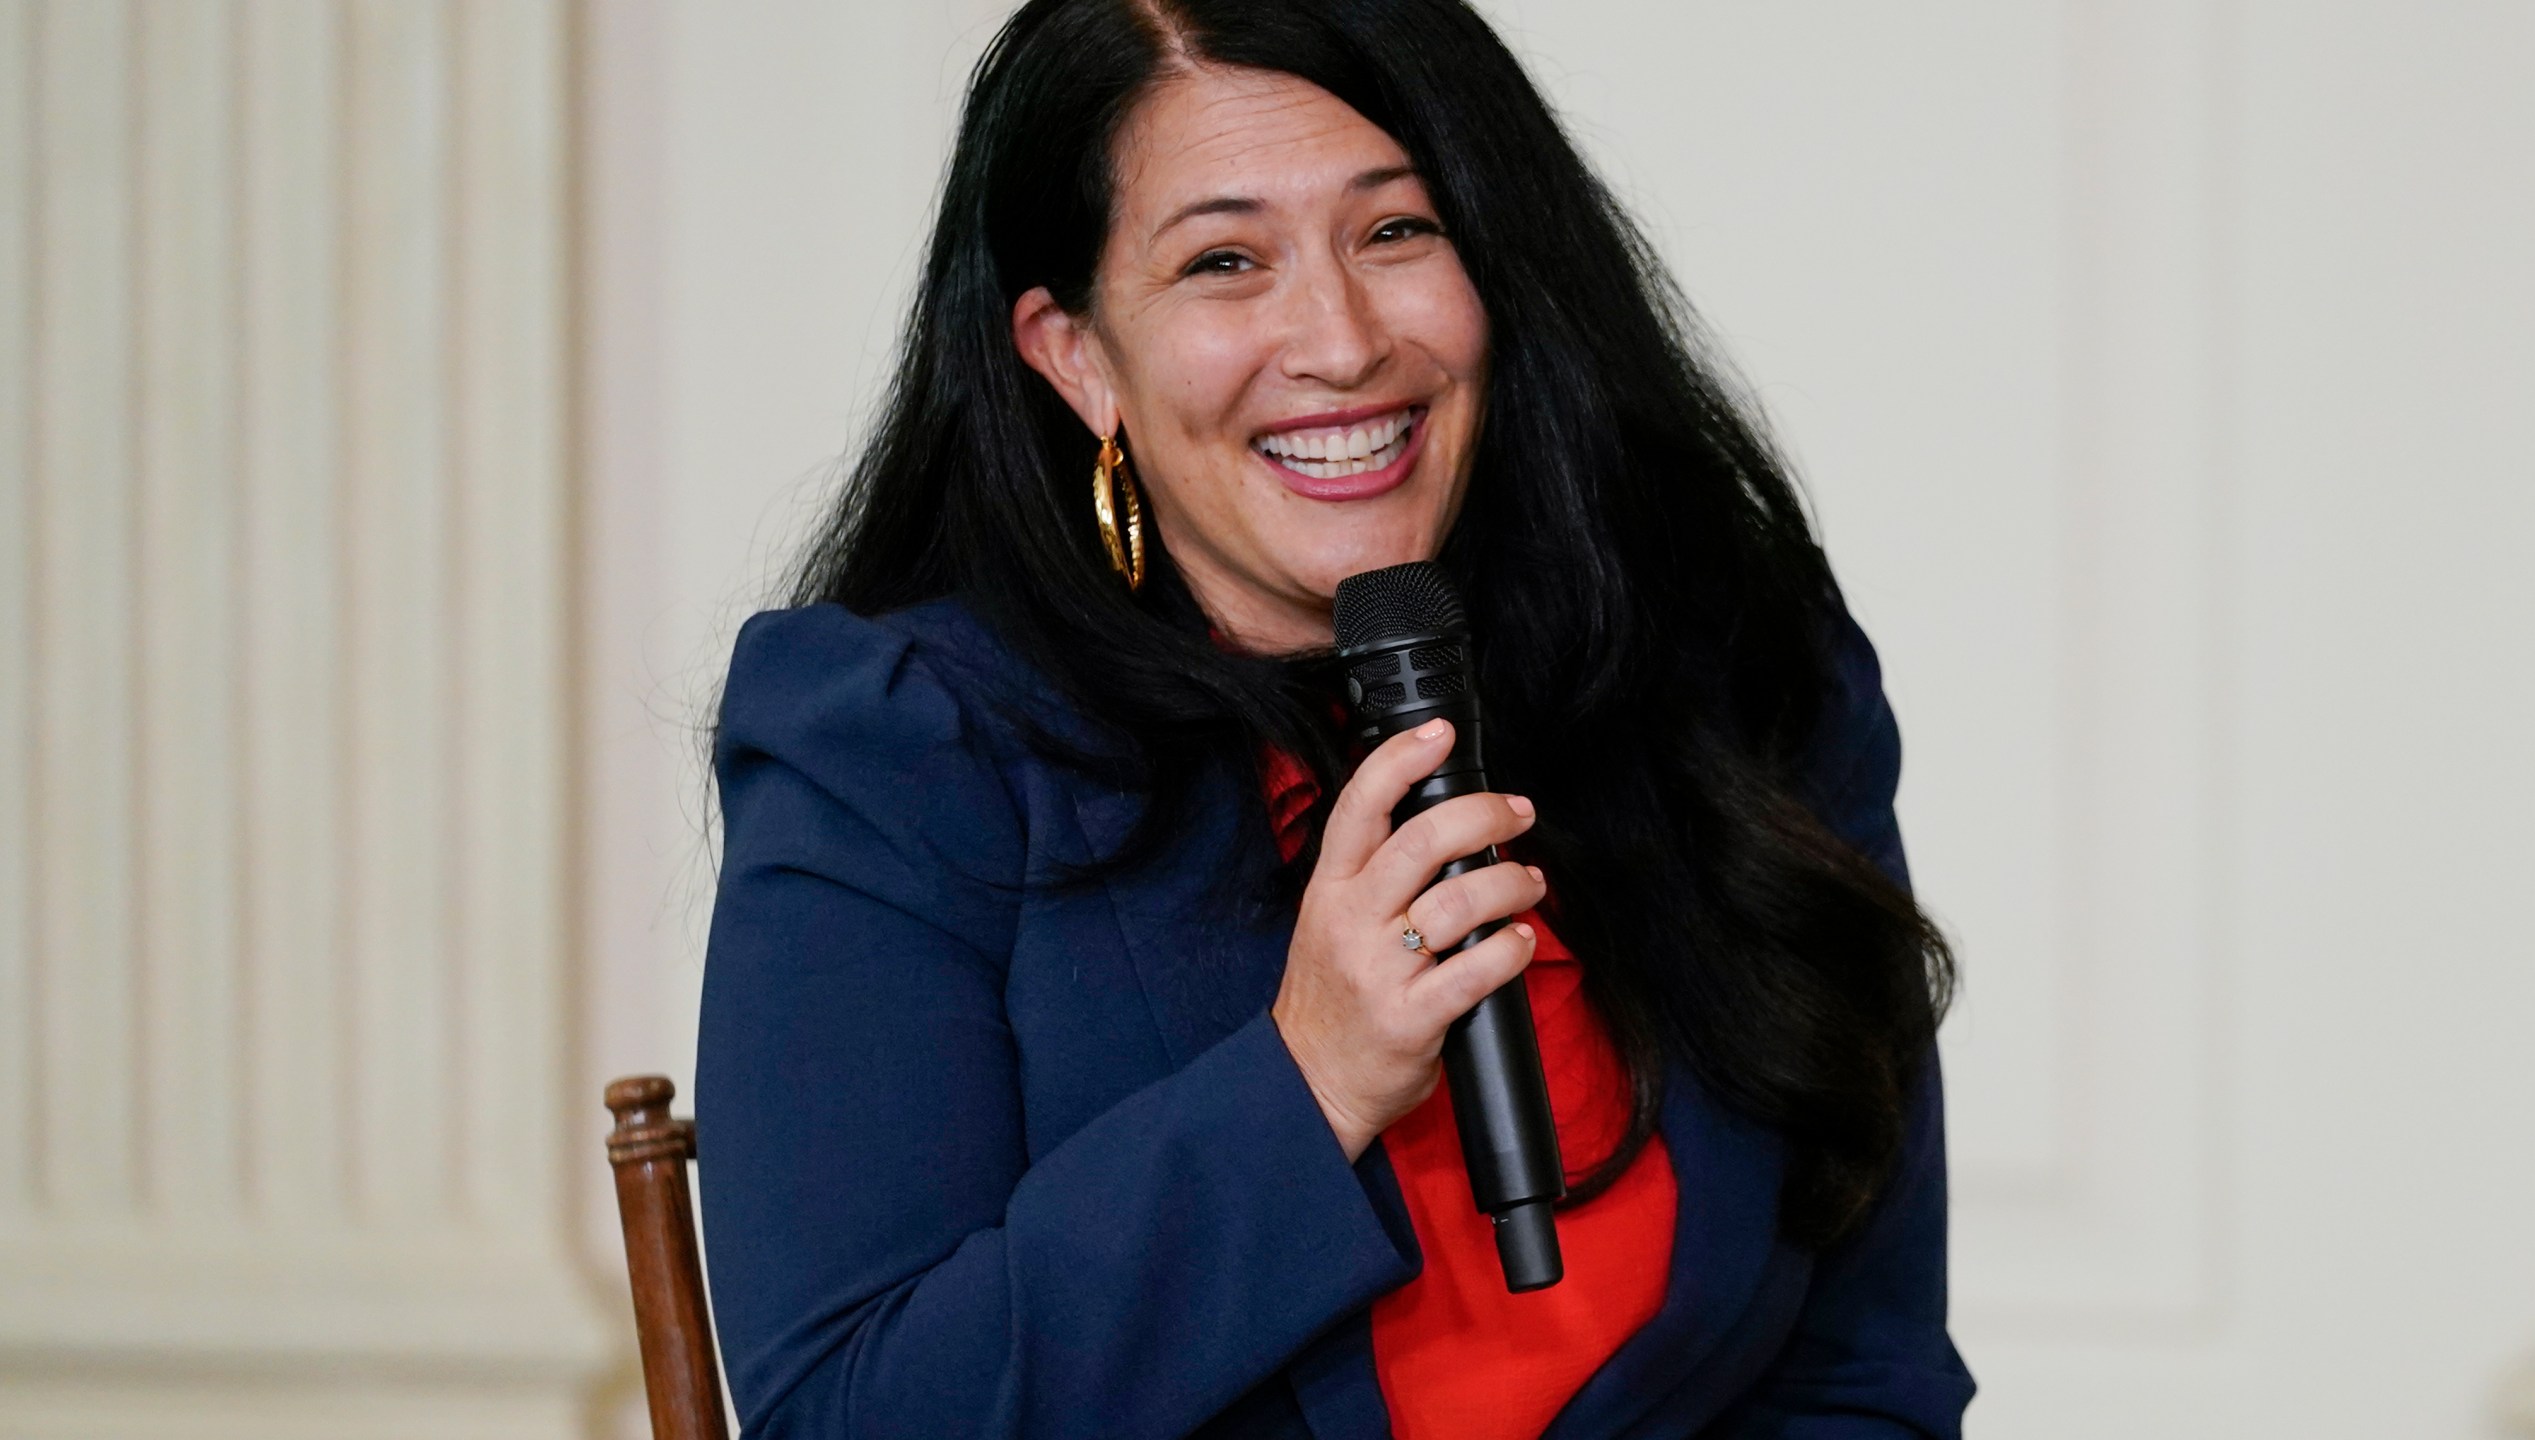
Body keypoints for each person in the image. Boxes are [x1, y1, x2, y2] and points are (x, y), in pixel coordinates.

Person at [695, 1, 1972, 1435]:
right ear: (1078, 356)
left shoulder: (1730, 673)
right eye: (1224, 261)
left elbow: (1866, 1372)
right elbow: (847, 1417)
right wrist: (1308, 1084)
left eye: (1398, 232)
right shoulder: (904, 748)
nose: (1344, 341)